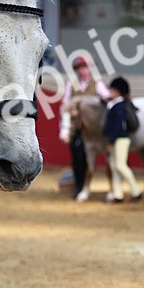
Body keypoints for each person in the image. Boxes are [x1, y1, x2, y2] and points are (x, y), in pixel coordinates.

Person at [59, 54, 110, 200]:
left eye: (86, 67)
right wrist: (65, 127)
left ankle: (86, 187)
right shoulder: (72, 83)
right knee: (77, 157)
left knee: (91, 158)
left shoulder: (97, 83)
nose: (84, 70)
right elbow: (65, 105)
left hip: (93, 128)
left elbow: (105, 97)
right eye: (81, 67)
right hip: (76, 127)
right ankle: (79, 186)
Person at [103, 75, 142, 203]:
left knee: (120, 165)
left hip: (120, 139)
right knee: (114, 166)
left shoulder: (119, 106)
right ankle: (118, 194)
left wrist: (110, 141)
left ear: (118, 91)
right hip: (118, 139)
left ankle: (136, 192)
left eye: (112, 90)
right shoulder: (117, 105)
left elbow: (117, 126)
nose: (110, 92)